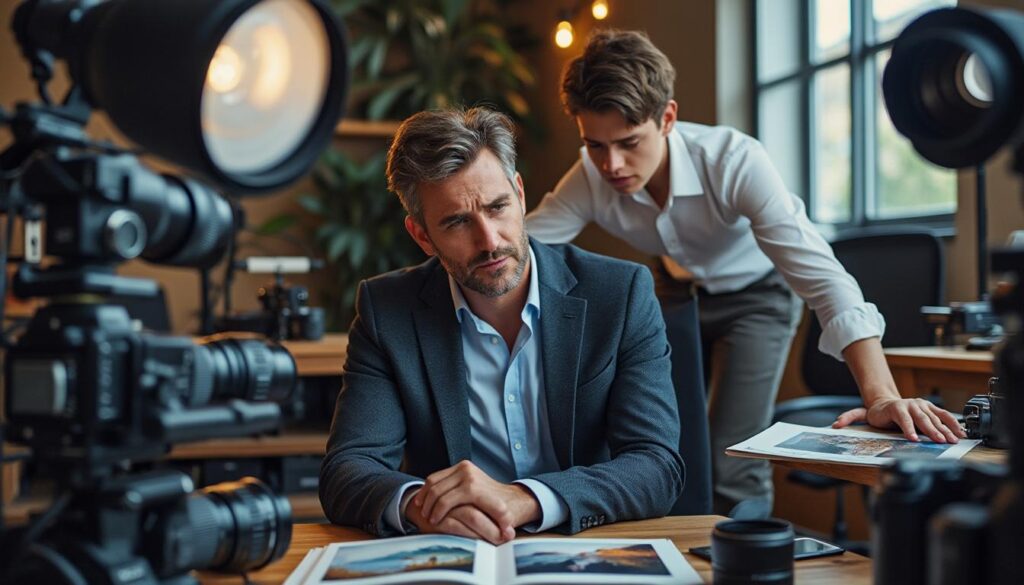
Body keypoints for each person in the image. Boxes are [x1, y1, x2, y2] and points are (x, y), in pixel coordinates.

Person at [525, 29, 965, 517]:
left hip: (757, 297)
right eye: (595, 145)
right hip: (674, 295)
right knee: (663, 445)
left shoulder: (733, 161)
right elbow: (521, 246)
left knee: (732, 456)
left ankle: (745, 562)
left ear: (667, 117)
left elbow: (823, 277)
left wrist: (881, 395)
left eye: (628, 142)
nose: (611, 164)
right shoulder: (589, 176)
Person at [319, 106, 684, 542]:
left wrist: (525, 498)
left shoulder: (619, 294)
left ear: (520, 194)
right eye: (457, 222)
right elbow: (347, 469)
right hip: (460, 552)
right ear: (421, 236)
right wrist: (421, 505)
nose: (489, 240)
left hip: (584, 548)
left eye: (497, 207)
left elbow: (657, 464)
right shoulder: (387, 311)